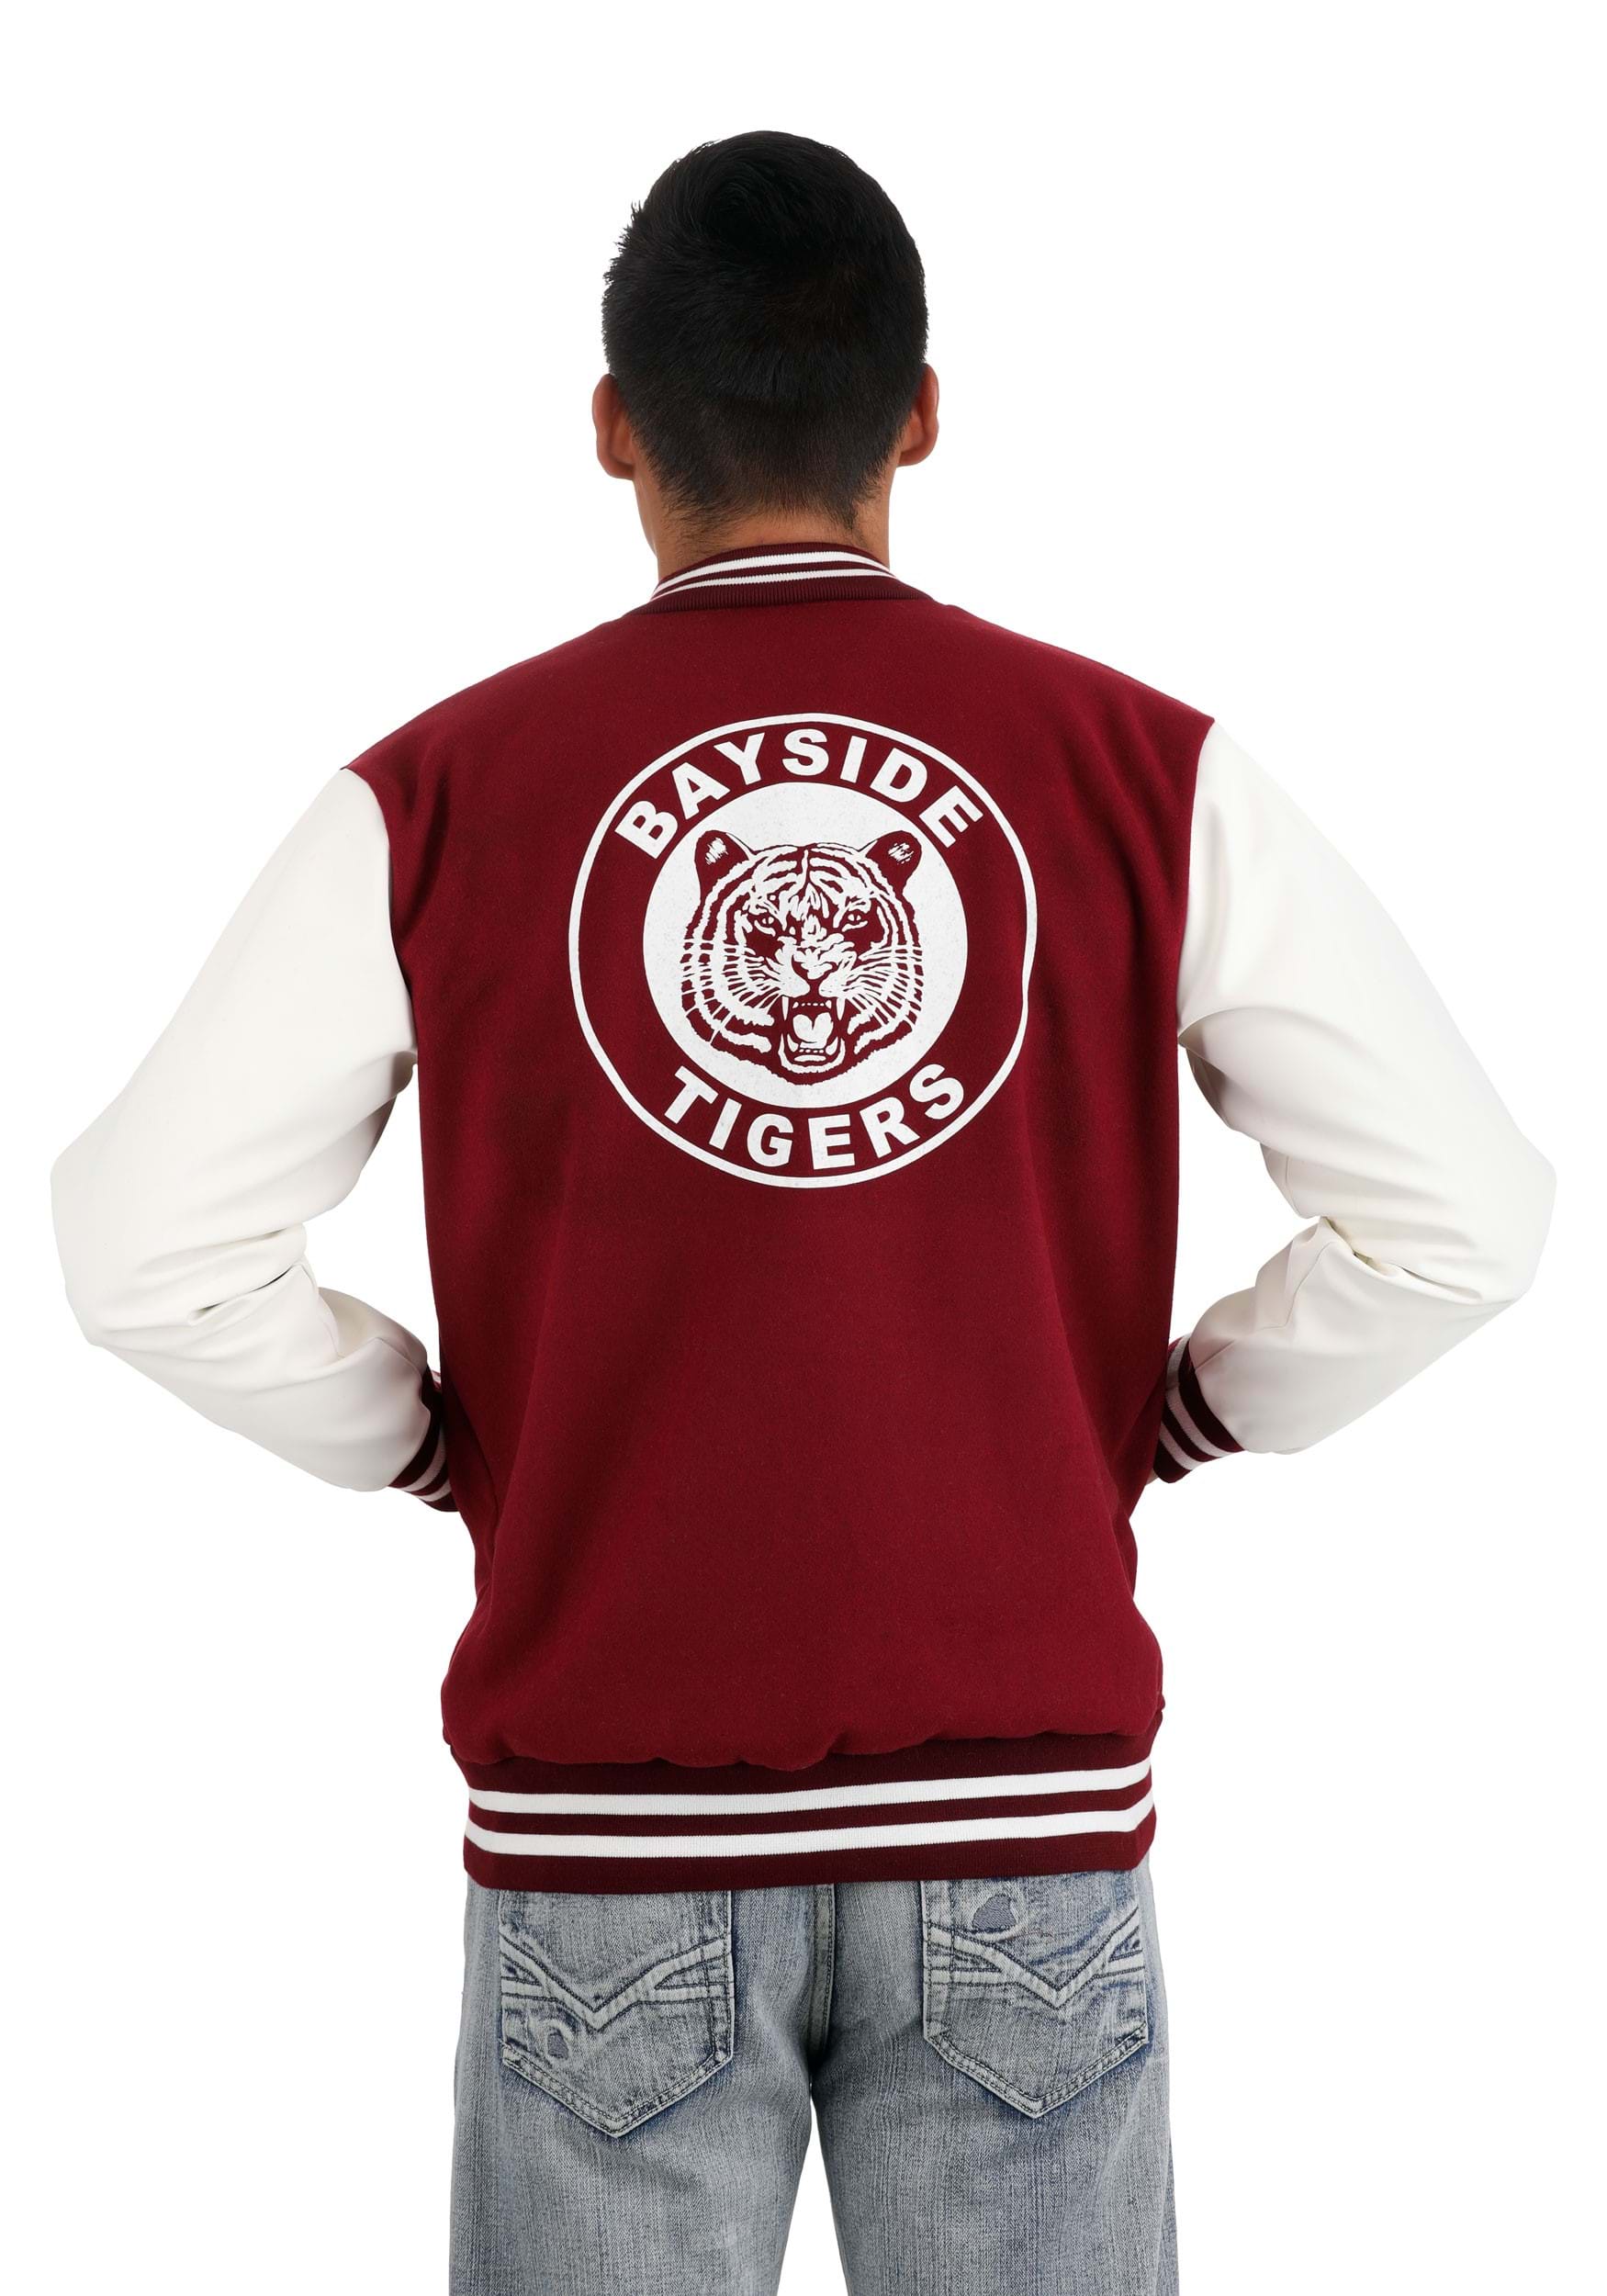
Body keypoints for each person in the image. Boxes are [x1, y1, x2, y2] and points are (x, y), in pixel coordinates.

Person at [51, 129, 1553, 2296]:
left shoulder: (439, 792)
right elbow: (1461, 1215)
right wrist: (1170, 1412)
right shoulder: (1139, 767)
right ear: (917, 414)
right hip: (1020, 1810)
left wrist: (441, 1443)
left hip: (610, 1817)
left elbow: (141, 1244)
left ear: (610, 426)